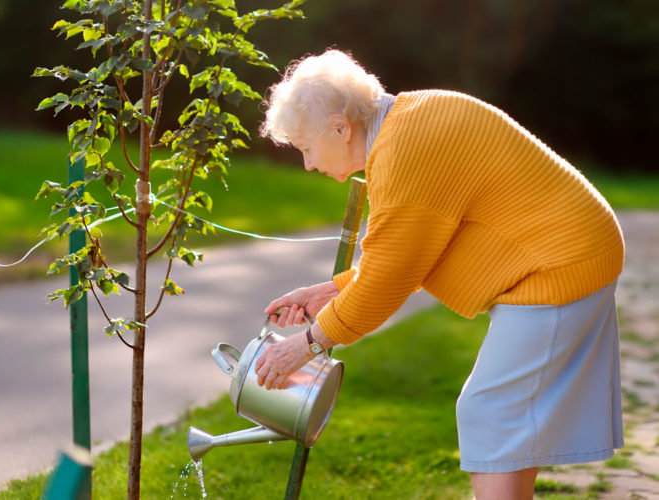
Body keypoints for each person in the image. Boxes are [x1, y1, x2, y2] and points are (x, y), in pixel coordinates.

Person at [253, 49, 624, 499]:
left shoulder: (402, 152)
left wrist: (308, 344)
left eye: (306, 148)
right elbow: (406, 258)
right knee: (506, 418)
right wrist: (331, 289)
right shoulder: (410, 120)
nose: (308, 164)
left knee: (492, 411)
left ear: (339, 126)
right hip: (565, 254)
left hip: (559, 264)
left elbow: (389, 279)